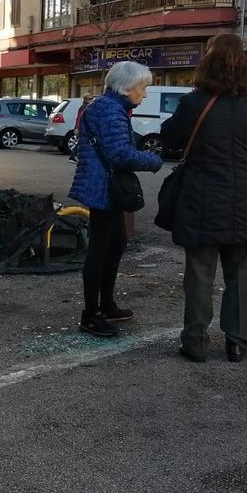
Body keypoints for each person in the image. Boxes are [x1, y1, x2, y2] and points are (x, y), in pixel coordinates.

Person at [160, 33, 247, 363]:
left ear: (207, 62)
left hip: (201, 201)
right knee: (242, 277)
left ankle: (195, 343)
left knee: (199, 276)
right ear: (243, 61)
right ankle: (237, 342)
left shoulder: (194, 101)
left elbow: (170, 140)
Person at [69, 62, 164, 338]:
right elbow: (120, 153)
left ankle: (106, 305)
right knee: (100, 251)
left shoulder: (110, 107)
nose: (144, 94)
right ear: (126, 87)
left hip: (104, 186)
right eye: (142, 88)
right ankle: (91, 314)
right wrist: (154, 160)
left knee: (115, 245)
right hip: (103, 189)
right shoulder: (110, 110)